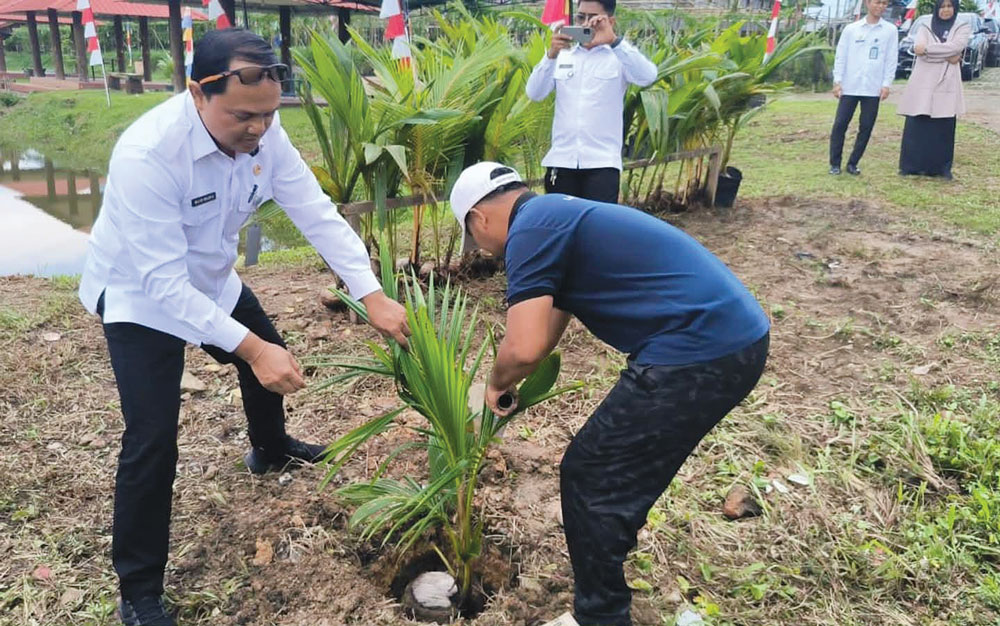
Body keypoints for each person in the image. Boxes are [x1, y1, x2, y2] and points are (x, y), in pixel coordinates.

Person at [77, 29, 409, 626]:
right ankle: (139, 590)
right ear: (196, 93)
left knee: (267, 353)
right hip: (139, 294)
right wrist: (251, 349)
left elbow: (315, 213)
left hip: (210, 279)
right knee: (153, 438)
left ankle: (270, 451)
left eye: (268, 115)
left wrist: (371, 293)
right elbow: (162, 283)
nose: (258, 129)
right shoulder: (148, 155)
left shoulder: (265, 133)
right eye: (242, 117)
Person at [449, 162, 771, 626]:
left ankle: (599, 615)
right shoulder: (554, 215)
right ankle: (606, 573)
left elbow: (524, 346)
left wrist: (496, 383)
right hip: (731, 340)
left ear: (479, 218)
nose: (483, 248)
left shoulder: (529, 232)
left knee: (591, 476)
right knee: (613, 481)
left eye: (475, 237)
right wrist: (516, 378)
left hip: (698, 350)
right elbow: (549, 322)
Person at [525, 0, 657, 203]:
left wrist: (614, 41)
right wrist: (551, 55)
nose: (586, 24)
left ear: (610, 21)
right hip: (562, 160)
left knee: (598, 223)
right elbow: (534, 93)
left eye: (594, 19)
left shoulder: (619, 57)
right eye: (581, 17)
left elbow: (648, 76)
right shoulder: (563, 56)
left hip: (602, 164)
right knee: (563, 221)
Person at [897, 0, 968, 179]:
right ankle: (912, 166)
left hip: (947, 81)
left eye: (949, 6)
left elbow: (956, 47)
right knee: (918, 123)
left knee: (943, 126)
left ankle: (940, 169)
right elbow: (918, 48)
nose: (945, 10)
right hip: (924, 81)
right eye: (942, 6)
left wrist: (927, 51)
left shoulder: (962, 26)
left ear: (955, 8)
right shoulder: (925, 25)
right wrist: (947, 55)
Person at [828, 0, 898, 176]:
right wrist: (837, 81)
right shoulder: (852, 29)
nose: (880, 6)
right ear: (868, 3)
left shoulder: (890, 30)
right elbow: (841, 56)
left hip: (873, 87)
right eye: (877, 2)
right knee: (840, 125)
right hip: (850, 85)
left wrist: (886, 84)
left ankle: (853, 163)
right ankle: (835, 163)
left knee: (866, 126)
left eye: (884, 3)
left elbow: (891, 59)